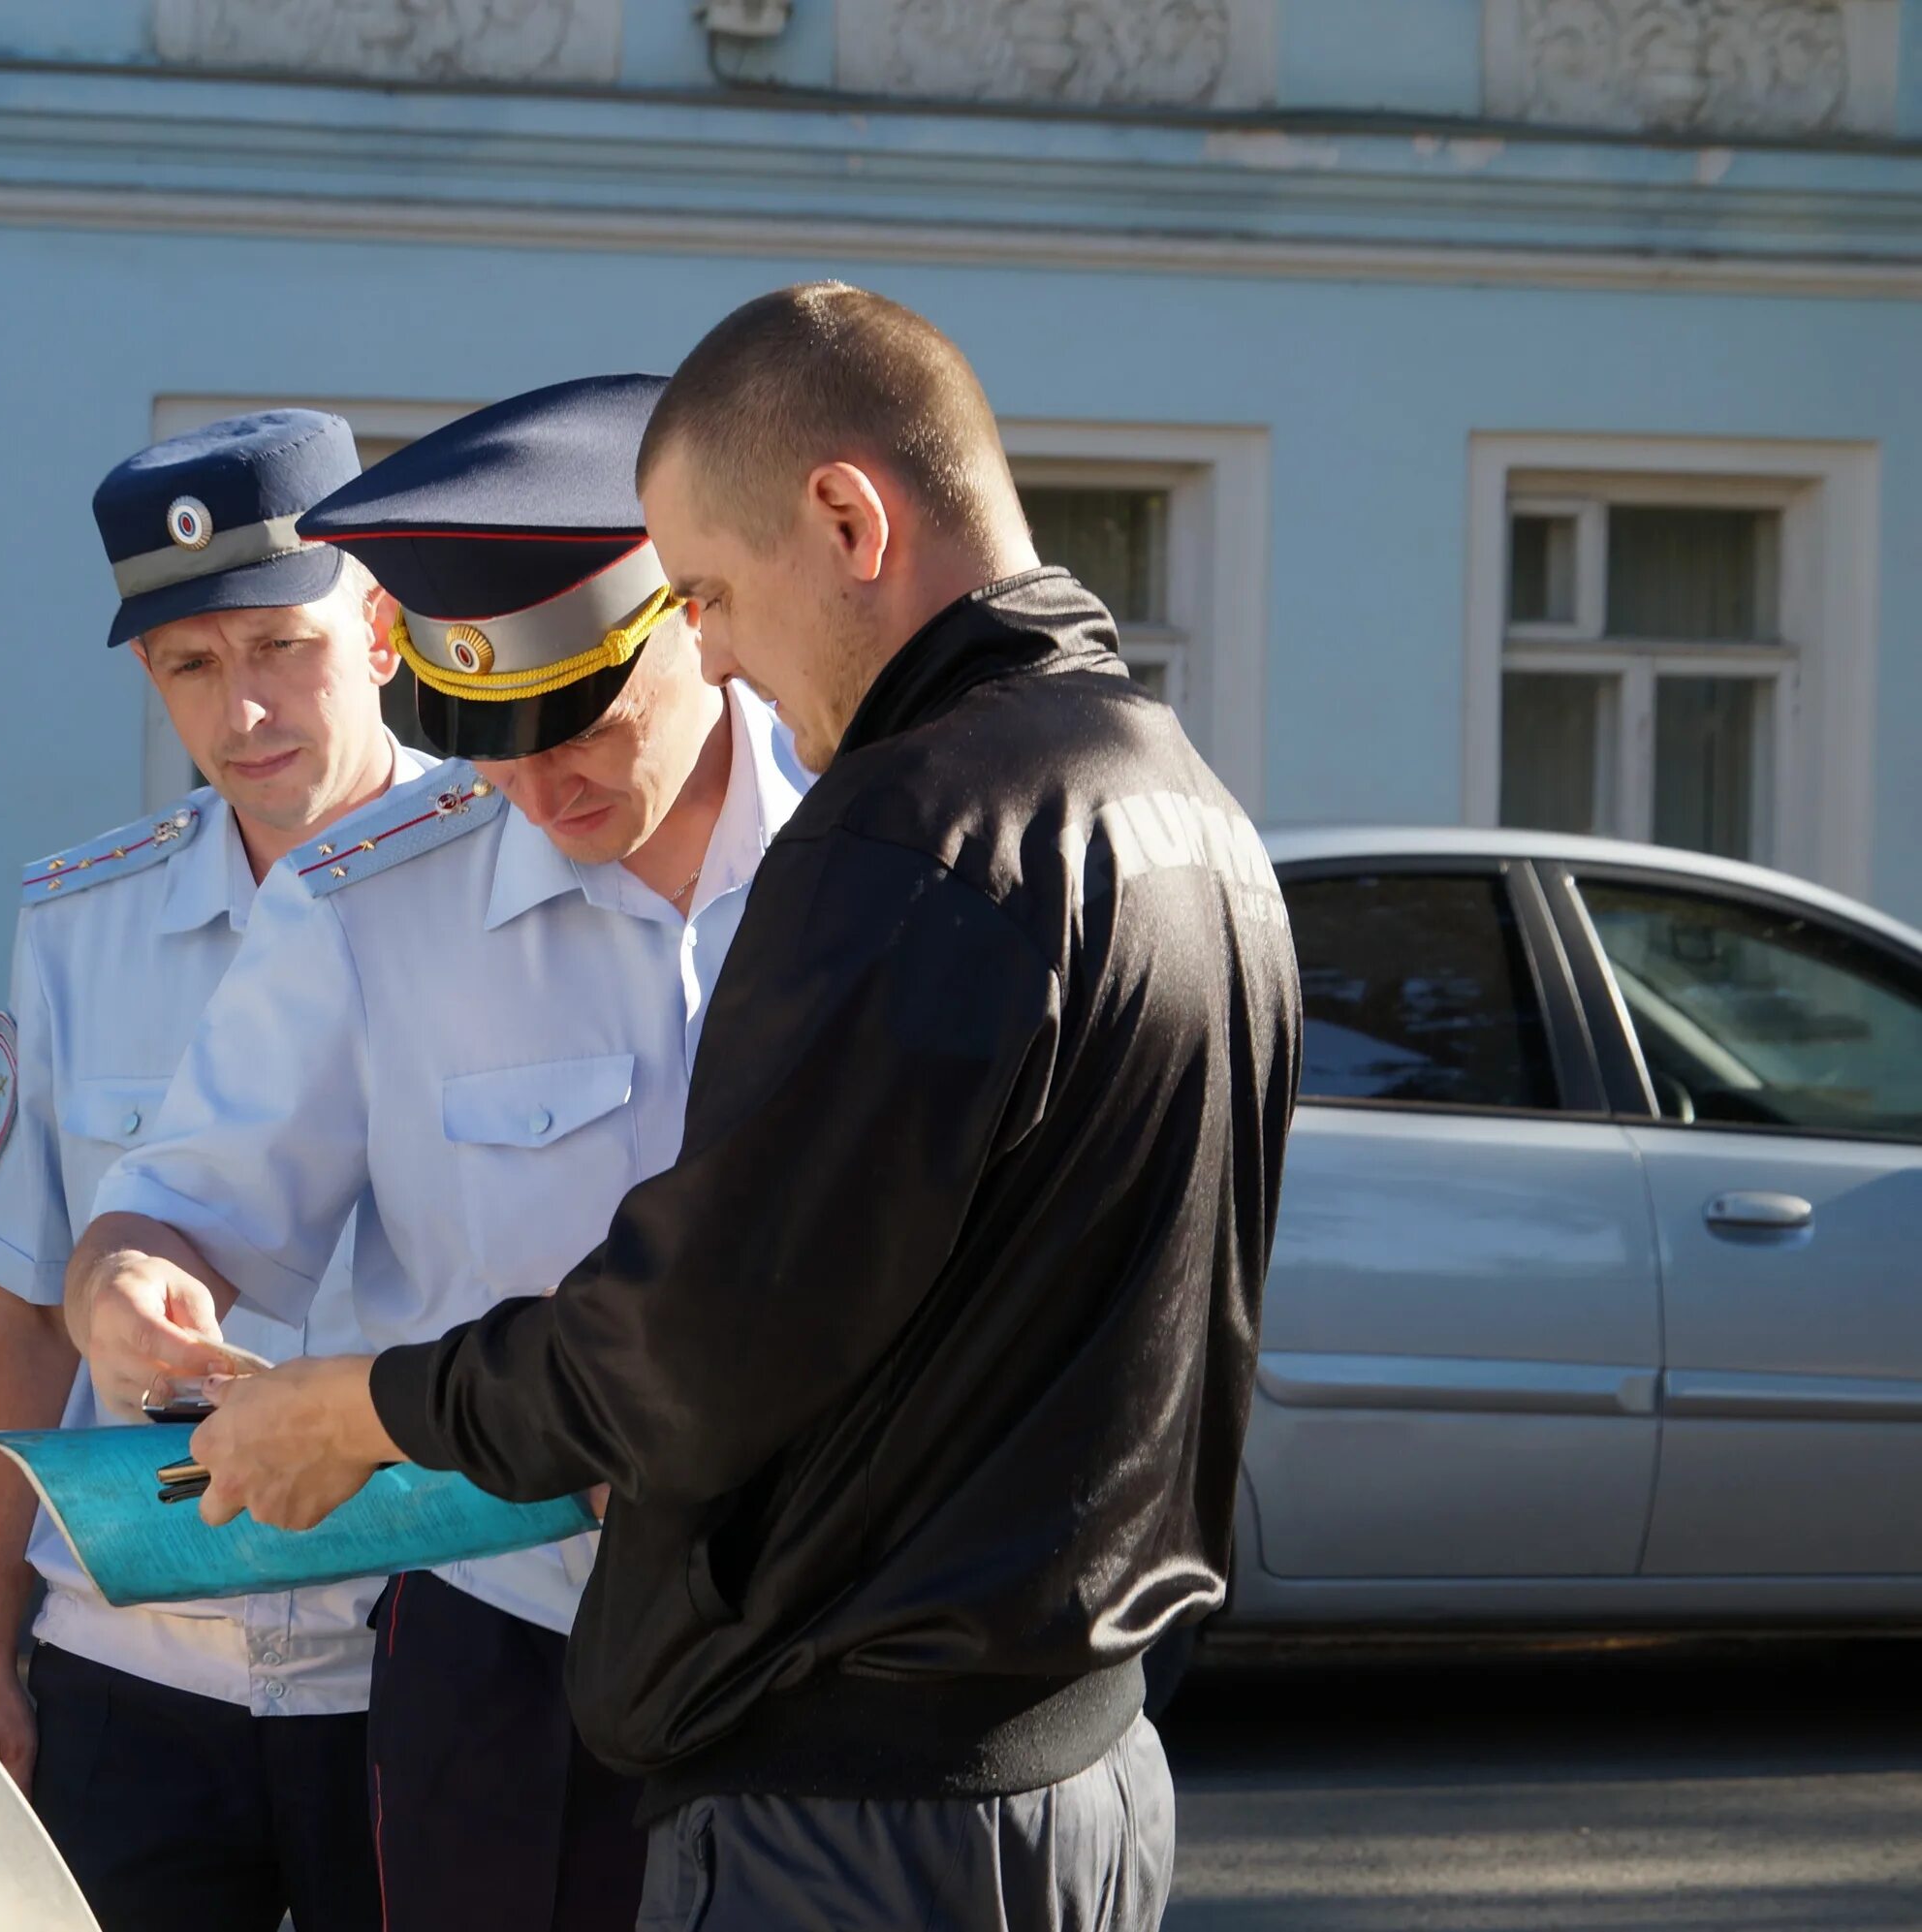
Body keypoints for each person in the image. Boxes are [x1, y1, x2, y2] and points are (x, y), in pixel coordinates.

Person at [179, 284, 1306, 1932]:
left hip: (852, 1803)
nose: (710, 644)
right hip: (1079, 1766)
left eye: (707, 591)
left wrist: (361, 1409)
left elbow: (685, 1360)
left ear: (848, 520)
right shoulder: (1189, 811)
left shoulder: (905, 834)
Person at [62, 373, 812, 1932]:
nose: (541, 788)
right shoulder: (366, 901)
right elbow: (184, 1200)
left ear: (691, 618)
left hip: (829, 1652)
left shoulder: (871, 845)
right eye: (485, 745)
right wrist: (129, 1279)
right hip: (512, 1661)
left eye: (582, 723)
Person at [0, 409, 427, 1932]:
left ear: (385, 629)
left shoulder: (521, 901)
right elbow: (22, 1301)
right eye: (191, 667)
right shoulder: (87, 921)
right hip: (135, 1673)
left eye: (283, 646)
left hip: (416, 1661)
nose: (244, 711)